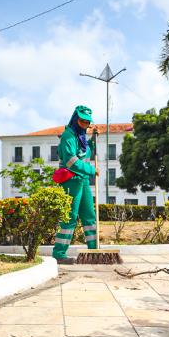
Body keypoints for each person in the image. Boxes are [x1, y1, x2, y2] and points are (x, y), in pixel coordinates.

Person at [52, 105, 99, 263]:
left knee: (89, 216)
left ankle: (94, 250)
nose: (85, 124)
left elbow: (84, 153)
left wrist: (93, 141)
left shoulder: (81, 137)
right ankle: (59, 254)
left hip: (83, 180)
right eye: (82, 121)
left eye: (87, 122)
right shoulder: (68, 136)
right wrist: (91, 170)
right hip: (71, 180)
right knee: (70, 217)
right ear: (75, 119)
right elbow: (71, 161)